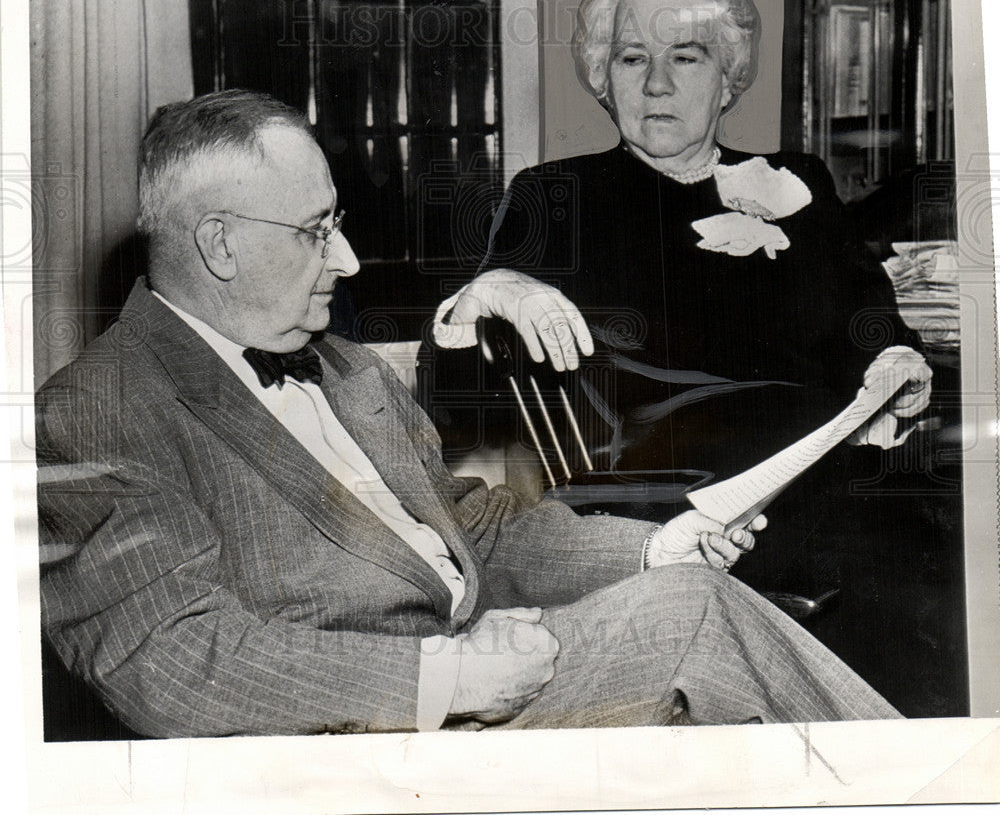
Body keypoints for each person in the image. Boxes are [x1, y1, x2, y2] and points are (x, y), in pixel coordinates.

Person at [35, 89, 903, 738]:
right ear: (219, 243)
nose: (347, 258)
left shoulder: (342, 368)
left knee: (689, 593)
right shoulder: (96, 411)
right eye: (314, 230)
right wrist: (449, 675)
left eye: (338, 222)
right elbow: (173, 662)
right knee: (695, 620)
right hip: (364, 746)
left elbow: (474, 529)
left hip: (489, 672)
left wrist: (649, 544)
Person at [432, 0, 932, 485]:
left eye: (685, 56)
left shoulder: (799, 180)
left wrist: (897, 361)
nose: (656, 83)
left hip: (833, 470)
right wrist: (488, 292)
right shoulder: (557, 195)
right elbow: (462, 400)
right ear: (605, 78)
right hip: (671, 495)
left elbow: (871, 318)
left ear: (728, 78)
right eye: (632, 57)